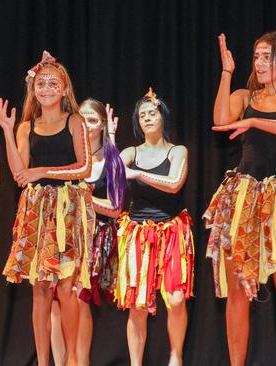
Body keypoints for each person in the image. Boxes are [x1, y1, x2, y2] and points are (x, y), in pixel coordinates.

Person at [207, 31, 276, 365]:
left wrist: (253, 121)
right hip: (245, 195)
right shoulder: (245, 94)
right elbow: (221, 121)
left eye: (267, 56)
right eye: (256, 56)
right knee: (238, 285)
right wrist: (226, 72)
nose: (260, 63)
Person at [0, 50, 93, 366]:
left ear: (64, 89)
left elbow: (84, 167)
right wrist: (8, 131)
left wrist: (45, 172)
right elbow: (19, 173)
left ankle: (72, 359)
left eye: (54, 83)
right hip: (36, 209)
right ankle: (43, 360)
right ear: (33, 89)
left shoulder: (74, 121)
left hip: (67, 208)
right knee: (39, 288)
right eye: (42, 84)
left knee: (66, 288)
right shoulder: (27, 126)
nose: (47, 89)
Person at [117, 88, 193, 366]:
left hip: (171, 230)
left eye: (152, 113)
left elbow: (174, 184)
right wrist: (109, 138)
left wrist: (137, 174)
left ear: (163, 117)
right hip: (138, 232)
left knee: (175, 301)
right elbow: (106, 171)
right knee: (137, 305)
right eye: (141, 115)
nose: (147, 118)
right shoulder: (130, 152)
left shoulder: (177, 151)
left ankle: (176, 355)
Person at [50, 98, 126, 366]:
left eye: (92, 119)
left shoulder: (112, 159)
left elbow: (116, 209)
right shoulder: (69, 156)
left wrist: (84, 197)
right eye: (81, 118)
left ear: (102, 125)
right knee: (55, 299)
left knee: (78, 299)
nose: (86, 124)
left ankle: (79, 362)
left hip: (94, 238)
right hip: (65, 233)